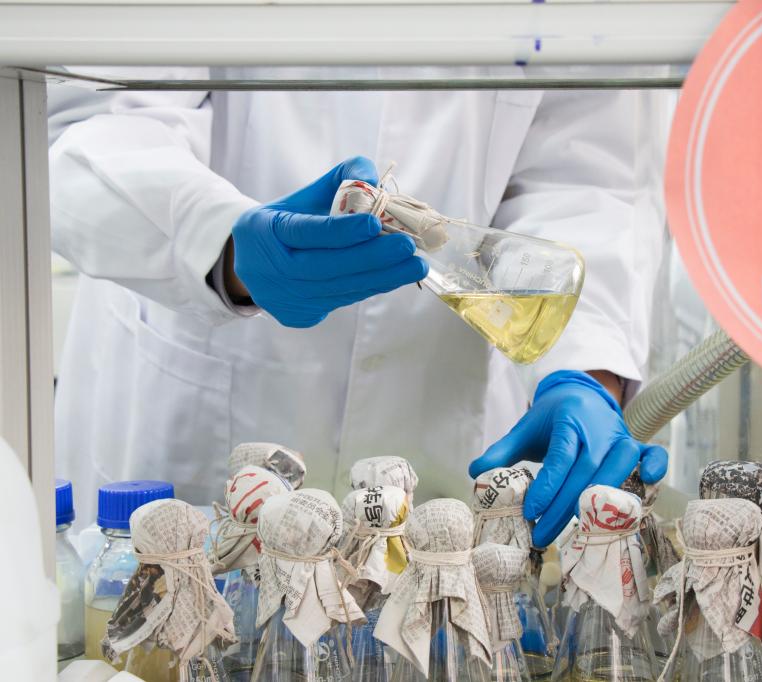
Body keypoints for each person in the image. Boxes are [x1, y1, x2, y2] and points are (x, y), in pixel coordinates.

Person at [48, 65, 670, 547]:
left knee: (434, 621)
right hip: (193, 394)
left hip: (449, 425)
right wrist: (222, 245)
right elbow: (90, 121)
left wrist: (585, 371)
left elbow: (588, 172)